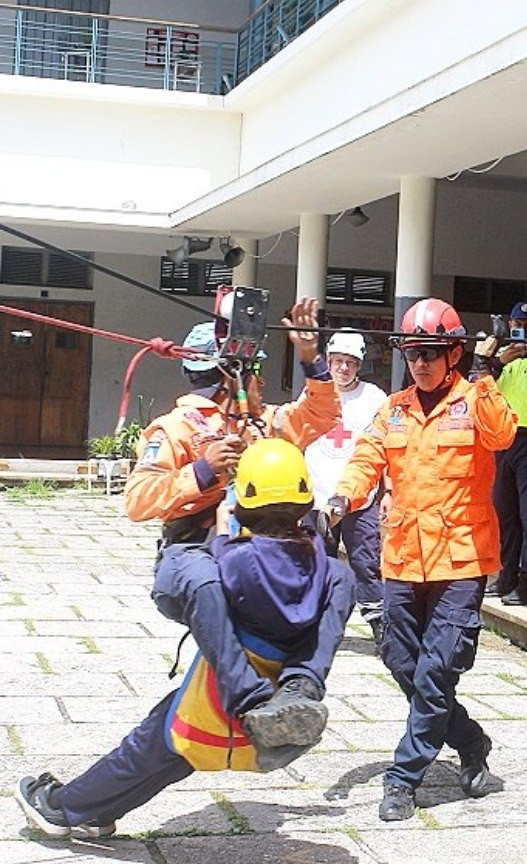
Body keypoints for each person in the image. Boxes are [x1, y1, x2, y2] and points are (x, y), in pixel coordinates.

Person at [15, 439, 355, 839]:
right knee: (169, 753)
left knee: (151, 746)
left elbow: (173, 598)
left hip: (223, 687)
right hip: (284, 683)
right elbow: (324, 628)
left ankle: (62, 808)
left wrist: (209, 538)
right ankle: (303, 686)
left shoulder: (228, 560)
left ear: (243, 501)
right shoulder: (335, 573)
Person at [123, 296, 347, 751]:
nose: (261, 382)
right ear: (231, 376)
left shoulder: (263, 425)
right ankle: (250, 698)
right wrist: (201, 472)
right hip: (198, 552)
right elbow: (138, 500)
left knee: (338, 577)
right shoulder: (177, 429)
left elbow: (322, 415)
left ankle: (302, 686)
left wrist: (310, 358)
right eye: (255, 372)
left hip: (258, 558)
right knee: (203, 585)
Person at [327, 297, 517, 822]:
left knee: (436, 672)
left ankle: (403, 776)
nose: (422, 362)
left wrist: (484, 375)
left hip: (461, 558)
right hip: (404, 557)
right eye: (414, 353)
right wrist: (342, 496)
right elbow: (367, 457)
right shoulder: (394, 408)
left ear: (453, 353)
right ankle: (472, 741)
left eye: (433, 352)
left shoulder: (476, 398)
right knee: (400, 660)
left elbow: (502, 433)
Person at [304, 330, 388, 646]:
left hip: (359, 498)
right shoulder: (314, 393)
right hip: (317, 497)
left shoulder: (374, 397)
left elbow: (386, 446)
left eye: (350, 362)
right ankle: (317, 627)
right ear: (329, 360)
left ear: (359, 364)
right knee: (317, 564)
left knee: (366, 562)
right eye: (337, 361)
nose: (343, 369)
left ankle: (381, 626)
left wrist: (388, 491)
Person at [482, 301, 527, 605]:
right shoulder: (503, 358)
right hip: (504, 440)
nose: (520, 330)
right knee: (505, 513)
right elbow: (481, 388)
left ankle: (524, 583)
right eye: (516, 324)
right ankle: (506, 576)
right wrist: (496, 361)